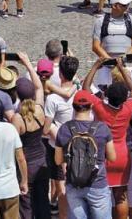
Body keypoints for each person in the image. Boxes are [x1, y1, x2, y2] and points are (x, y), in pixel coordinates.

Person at [82, 58, 132, 219]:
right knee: (121, 196)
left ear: (106, 94)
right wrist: (121, 68)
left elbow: (86, 88)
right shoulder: (127, 109)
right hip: (121, 155)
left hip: (102, 155)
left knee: (100, 196)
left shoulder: (100, 108)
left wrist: (95, 66)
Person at [54, 90, 115, 219]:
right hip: (98, 183)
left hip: (73, 183)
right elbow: (112, 157)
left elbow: (58, 160)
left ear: (73, 106)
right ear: (91, 106)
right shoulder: (102, 128)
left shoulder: (64, 129)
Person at [10, 55, 49, 219]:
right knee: (42, 201)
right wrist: (27, 62)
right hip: (41, 160)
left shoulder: (17, 119)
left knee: (26, 204)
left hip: (25, 164)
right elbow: (39, 87)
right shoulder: (39, 109)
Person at [43, 55, 78, 218]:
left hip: (57, 146)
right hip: (78, 142)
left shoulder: (52, 99)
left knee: (61, 185)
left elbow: (45, 129)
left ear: (60, 74)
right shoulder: (80, 91)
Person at [91, 0, 132, 88]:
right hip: (106, 66)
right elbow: (95, 46)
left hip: (127, 65)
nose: (127, 7)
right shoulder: (100, 21)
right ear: (114, 6)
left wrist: (122, 60)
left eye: (127, 4)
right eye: (124, 5)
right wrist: (111, 62)